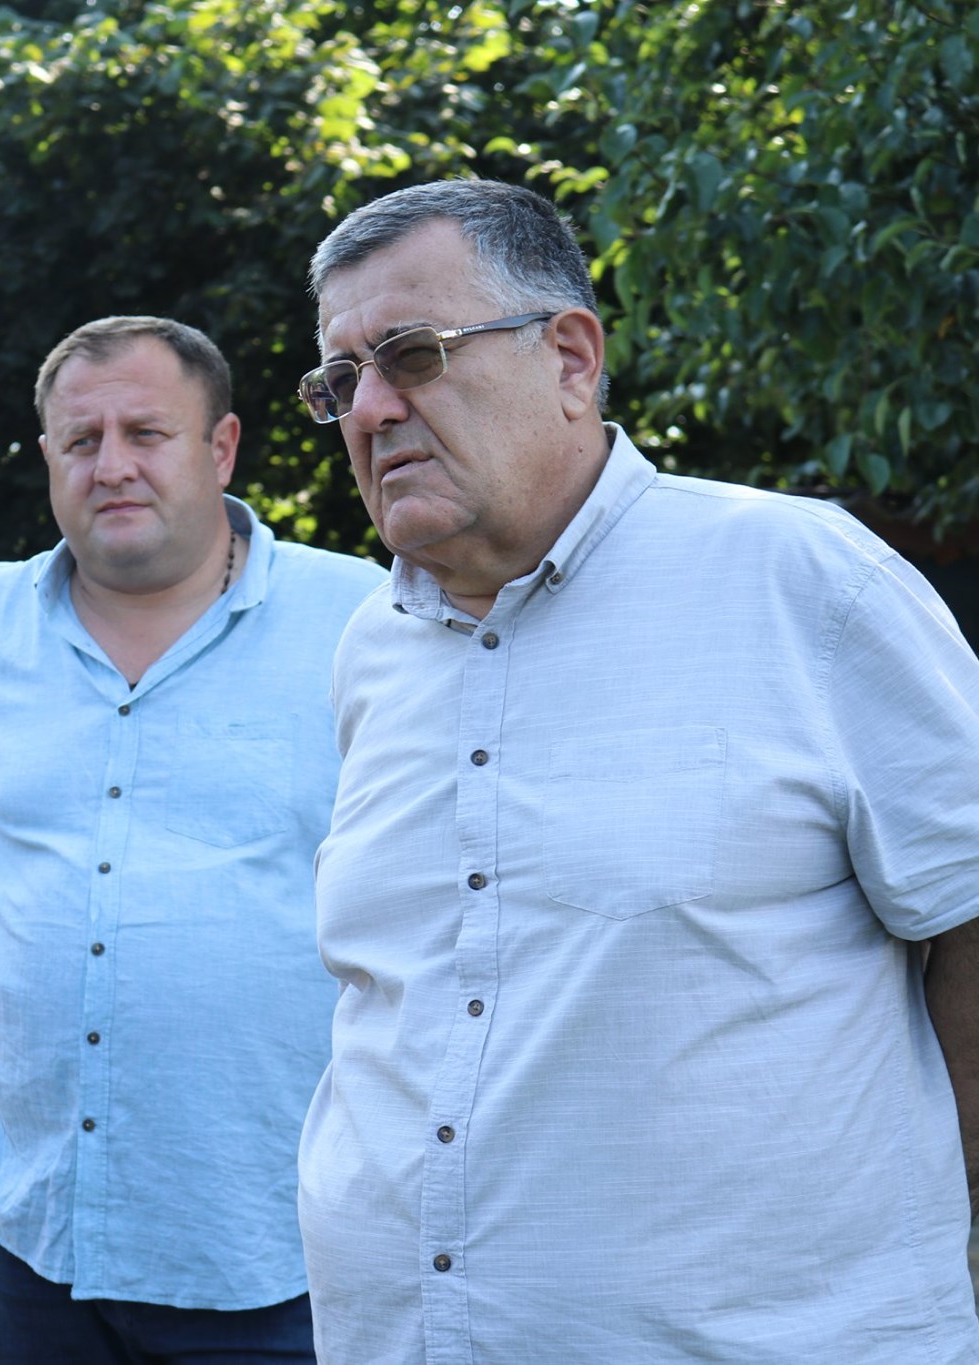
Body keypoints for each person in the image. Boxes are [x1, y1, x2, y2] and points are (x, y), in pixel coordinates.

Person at [296, 177, 979, 1360]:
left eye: (411, 355)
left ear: (569, 358)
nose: (369, 408)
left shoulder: (803, 582)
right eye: (338, 379)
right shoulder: (371, 647)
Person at [0, 316, 385, 1363]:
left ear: (221, 447)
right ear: (49, 460)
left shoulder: (362, 620)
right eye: (81, 441)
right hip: (35, 1231)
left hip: (274, 1238)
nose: (111, 466)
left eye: (145, 433)